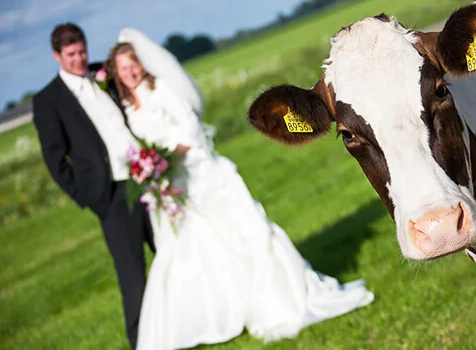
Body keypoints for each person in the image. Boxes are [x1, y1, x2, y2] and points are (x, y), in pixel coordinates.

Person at [106, 29, 375, 350]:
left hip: (200, 173)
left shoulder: (161, 89)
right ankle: (211, 315)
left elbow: (190, 128)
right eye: (124, 68)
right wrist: (150, 169)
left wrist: (164, 160)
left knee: (244, 235)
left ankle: (269, 302)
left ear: (144, 63)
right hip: (171, 188)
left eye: (134, 63)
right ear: (117, 73)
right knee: (191, 250)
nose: (131, 71)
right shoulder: (127, 105)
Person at [32, 23, 155, 349]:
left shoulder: (103, 72)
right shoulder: (48, 100)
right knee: (133, 276)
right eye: (71, 54)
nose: (80, 59)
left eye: (82, 51)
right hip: (110, 197)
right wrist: (90, 197)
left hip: (148, 181)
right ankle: (141, 342)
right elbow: (56, 161)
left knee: (172, 253)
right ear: (57, 55)